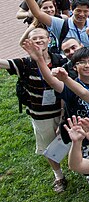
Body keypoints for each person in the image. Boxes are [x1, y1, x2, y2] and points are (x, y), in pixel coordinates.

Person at [3, 30, 68, 191]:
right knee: (48, 147)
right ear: (29, 42)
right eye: (34, 38)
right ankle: (59, 176)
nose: (38, 40)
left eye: (41, 37)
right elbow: (4, 64)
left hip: (64, 111)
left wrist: (62, 117)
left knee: (72, 143)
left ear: (48, 40)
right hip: (41, 115)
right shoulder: (25, 63)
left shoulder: (60, 60)